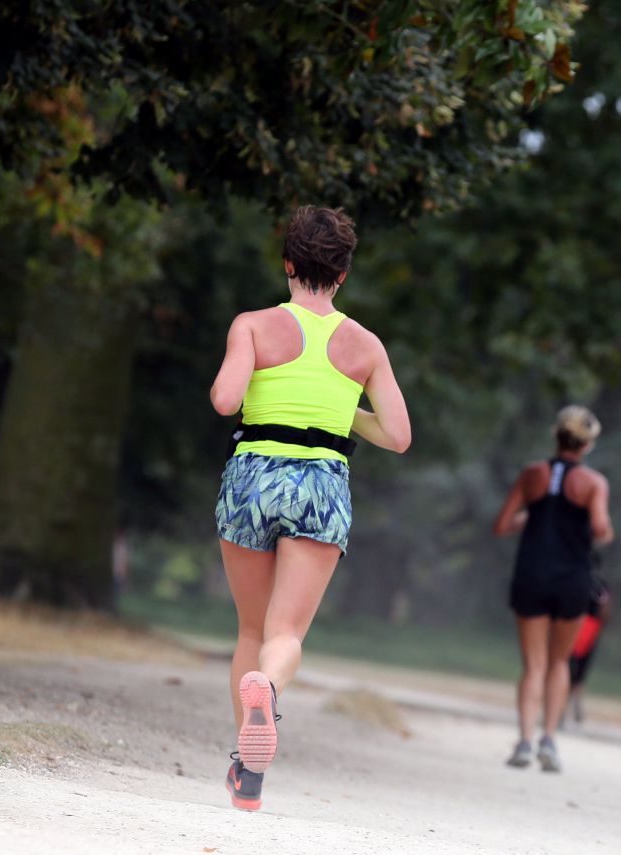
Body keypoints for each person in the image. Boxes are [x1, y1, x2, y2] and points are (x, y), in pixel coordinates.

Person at [209, 206, 411, 811]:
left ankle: (246, 771)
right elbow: (399, 436)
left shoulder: (252, 325)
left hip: (253, 476)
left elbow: (225, 400)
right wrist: (337, 405)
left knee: (249, 627)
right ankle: (267, 691)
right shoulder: (365, 344)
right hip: (322, 482)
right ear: (344, 274)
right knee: (286, 632)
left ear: (289, 263)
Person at [493, 406, 613, 773]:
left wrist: (535, 516)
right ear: (588, 443)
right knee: (560, 662)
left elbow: (502, 524)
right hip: (572, 580)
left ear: (556, 435)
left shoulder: (532, 474)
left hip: (531, 574)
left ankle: (525, 742)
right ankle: (550, 739)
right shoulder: (594, 483)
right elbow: (601, 530)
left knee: (533, 664)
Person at [566, 576, 611, 726]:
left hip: (579, 624)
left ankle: (567, 704)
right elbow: (605, 612)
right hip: (588, 626)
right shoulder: (600, 585)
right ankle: (572, 703)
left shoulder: (579, 579)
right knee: (577, 669)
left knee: (568, 667)